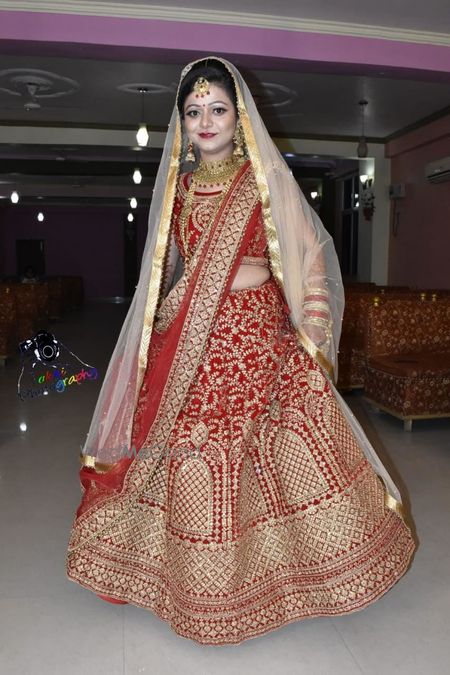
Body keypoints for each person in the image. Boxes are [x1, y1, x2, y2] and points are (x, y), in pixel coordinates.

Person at [66, 57, 415, 646]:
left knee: (280, 453)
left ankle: (294, 574)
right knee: (193, 453)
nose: (206, 121)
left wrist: (312, 336)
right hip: (192, 343)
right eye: (193, 111)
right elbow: (169, 274)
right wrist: (160, 332)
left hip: (259, 343)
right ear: (181, 122)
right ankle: (199, 586)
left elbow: (311, 258)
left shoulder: (264, 181)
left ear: (239, 116)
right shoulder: (177, 191)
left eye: (218, 109)